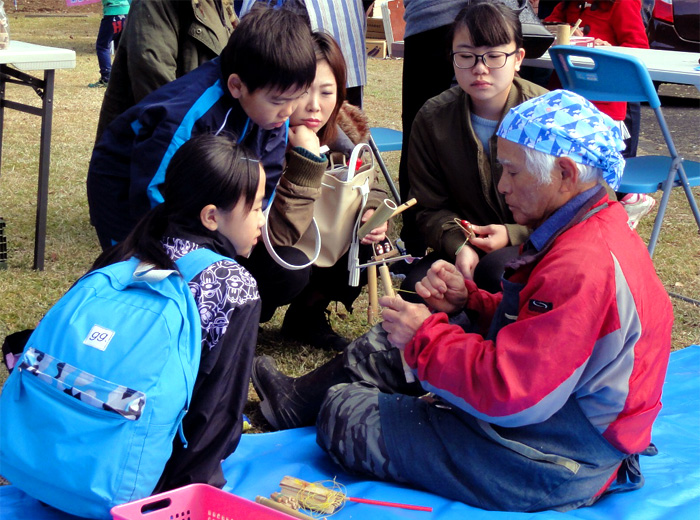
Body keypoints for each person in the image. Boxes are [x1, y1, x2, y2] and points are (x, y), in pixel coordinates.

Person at [251, 90, 674, 511]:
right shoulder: (589, 225)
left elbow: (514, 392)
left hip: (557, 458)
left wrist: (425, 337)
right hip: (554, 419)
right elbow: (542, 334)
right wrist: (469, 303)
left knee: (344, 411)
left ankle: (322, 402)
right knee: (407, 336)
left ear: (564, 172)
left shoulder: (583, 264)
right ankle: (294, 401)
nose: (502, 185)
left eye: (512, 171)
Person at [93, 133, 263, 491]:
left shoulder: (127, 252)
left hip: (83, 447)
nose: (262, 220)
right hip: (147, 474)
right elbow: (218, 412)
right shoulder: (232, 283)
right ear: (212, 217)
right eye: (258, 206)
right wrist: (190, 491)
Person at [400, 0, 548, 296]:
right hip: (463, 244)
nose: (480, 69)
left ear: (518, 58)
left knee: (497, 273)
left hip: (539, 245)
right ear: (452, 58)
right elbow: (427, 207)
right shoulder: (433, 117)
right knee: (417, 286)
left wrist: (513, 234)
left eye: (494, 56)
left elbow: (583, 205)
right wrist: (460, 246)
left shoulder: (548, 114)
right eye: (466, 56)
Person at [270, 32, 389, 351]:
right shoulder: (265, 136)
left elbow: (370, 184)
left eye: (327, 92)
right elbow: (278, 232)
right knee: (285, 265)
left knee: (366, 244)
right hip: (278, 246)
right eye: (304, 91)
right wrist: (306, 161)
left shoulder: (347, 132)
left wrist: (373, 212)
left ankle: (308, 313)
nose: (314, 106)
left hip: (325, 238)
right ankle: (245, 314)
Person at [544, 0, 655, 229]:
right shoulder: (569, 4)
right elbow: (548, 28)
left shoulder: (622, 4)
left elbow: (639, 49)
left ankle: (621, 206)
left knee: (590, 174)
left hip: (602, 105)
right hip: (565, 100)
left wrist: (609, 50)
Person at [94, 0, 237, 141]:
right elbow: (159, 97)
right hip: (168, 151)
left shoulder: (221, 5)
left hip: (210, 143)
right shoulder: (154, 4)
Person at [88, 0, 130, 89]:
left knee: (102, 46)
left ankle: (106, 77)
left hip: (112, 11)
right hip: (126, 11)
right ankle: (124, 77)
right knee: (121, 46)